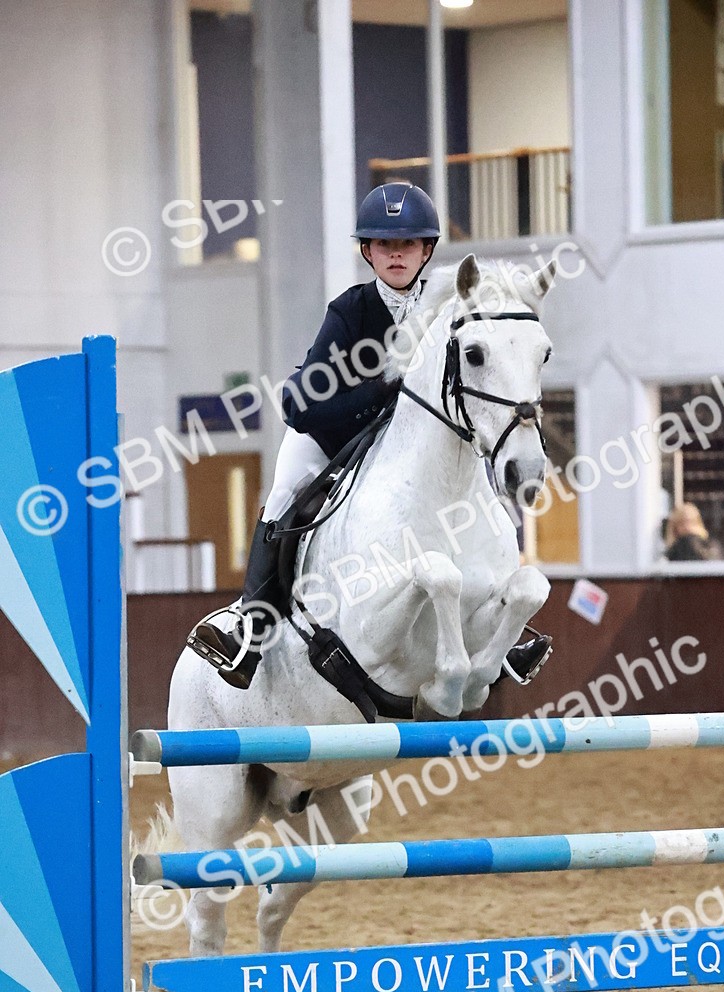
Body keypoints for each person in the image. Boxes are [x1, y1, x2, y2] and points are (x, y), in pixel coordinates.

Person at [189, 182, 552, 690]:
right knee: (285, 493)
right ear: (368, 252)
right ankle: (251, 628)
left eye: (408, 244)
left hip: (413, 444)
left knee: (471, 491)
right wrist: (382, 390)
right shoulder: (351, 310)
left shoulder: (451, 310)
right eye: (385, 244)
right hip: (334, 433)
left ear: (427, 251)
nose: (397, 254)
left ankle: (500, 632)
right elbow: (299, 405)